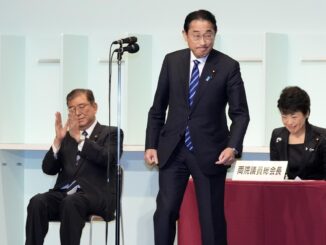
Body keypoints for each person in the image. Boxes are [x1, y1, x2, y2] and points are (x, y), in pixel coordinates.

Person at [144, 9, 250, 245]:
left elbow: (240, 114)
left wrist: (233, 147)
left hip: (211, 152)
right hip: (173, 149)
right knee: (165, 212)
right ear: (185, 35)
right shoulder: (172, 61)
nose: (203, 42)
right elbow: (158, 107)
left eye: (208, 35)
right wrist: (151, 144)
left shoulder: (227, 66)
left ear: (215, 34)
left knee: (210, 218)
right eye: (196, 35)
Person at [25, 88, 123, 245]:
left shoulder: (111, 133)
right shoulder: (67, 137)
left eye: (82, 106)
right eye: (72, 108)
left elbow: (108, 158)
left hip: (96, 197)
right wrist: (58, 140)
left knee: (71, 202)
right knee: (37, 201)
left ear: (95, 106)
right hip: (65, 196)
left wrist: (80, 139)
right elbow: (48, 169)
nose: (77, 112)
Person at [270, 86, 326, 180]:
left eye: (294, 116)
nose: (289, 122)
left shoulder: (322, 137)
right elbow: (275, 173)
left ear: (307, 113)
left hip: (315, 193)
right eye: (284, 117)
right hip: (285, 192)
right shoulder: (277, 136)